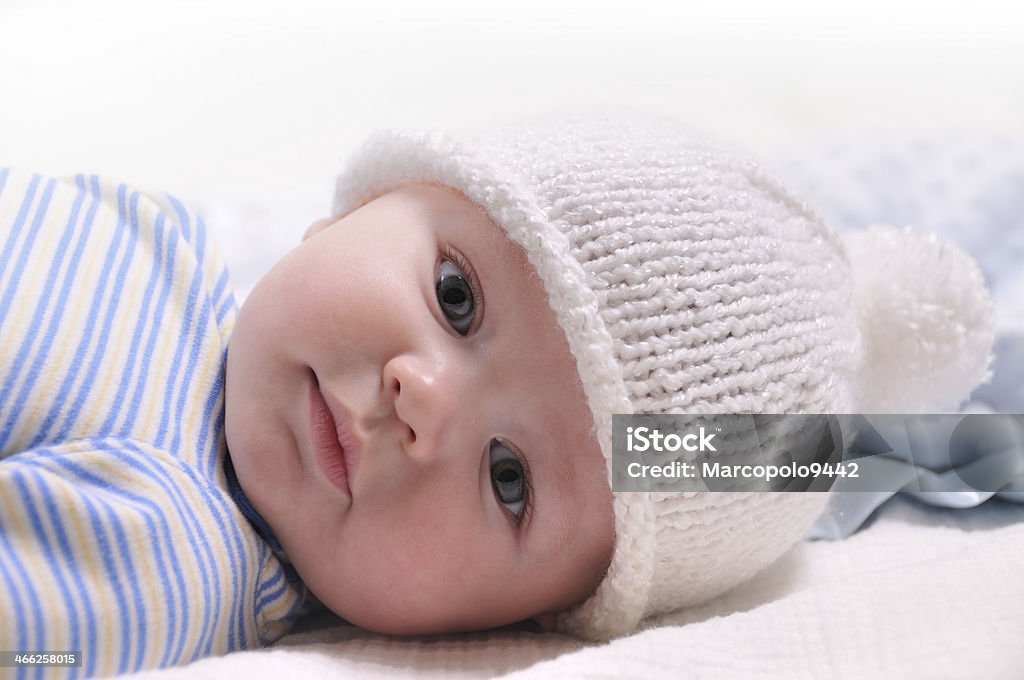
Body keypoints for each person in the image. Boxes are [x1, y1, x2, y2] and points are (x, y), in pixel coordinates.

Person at [0, 112, 995, 678]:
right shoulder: (157, 236)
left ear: (507, 622)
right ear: (364, 206)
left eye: (510, 478)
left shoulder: (163, 550)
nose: (422, 398)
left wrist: (922, 453)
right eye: (454, 294)